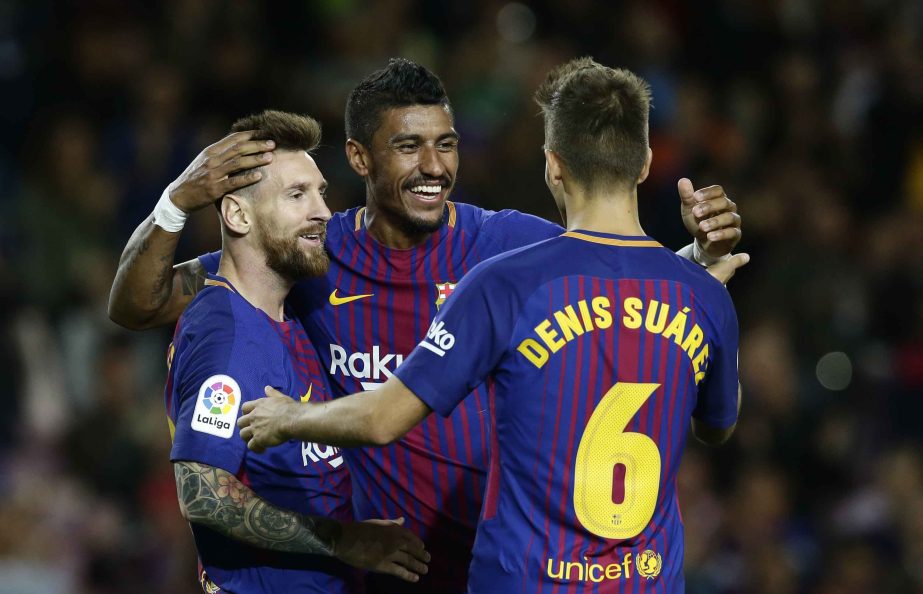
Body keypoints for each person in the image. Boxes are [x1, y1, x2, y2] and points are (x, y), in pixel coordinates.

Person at [108, 59, 744, 592]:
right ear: (359, 156)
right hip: (385, 568)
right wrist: (175, 201)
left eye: (447, 144)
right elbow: (140, 303)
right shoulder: (312, 253)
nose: (434, 166)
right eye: (409, 146)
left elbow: (615, 280)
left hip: (498, 560)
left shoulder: (503, 247)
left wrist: (696, 254)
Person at [164, 109, 428, 593]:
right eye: (296, 195)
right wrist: (342, 541)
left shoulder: (294, 309)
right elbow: (201, 493)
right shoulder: (228, 336)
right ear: (238, 215)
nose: (323, 212)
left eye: (321, 192)